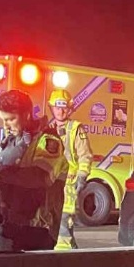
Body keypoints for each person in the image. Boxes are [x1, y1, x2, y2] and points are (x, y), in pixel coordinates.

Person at [0, 89, 67, 253]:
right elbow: (1, 181)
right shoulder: (9, 141)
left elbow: (41, 177)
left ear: (27, 114)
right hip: (8, 225)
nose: (6, 125)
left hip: (36, 228)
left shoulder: (48, 140)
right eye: (3, 120)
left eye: (11, 119)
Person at [47, 88, 93, 249]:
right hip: (49, 184)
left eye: (64, 107)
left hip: (68, 185)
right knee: (50, 220)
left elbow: (85, 156)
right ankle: (71, 253)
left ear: (69, 108)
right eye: (57, 107)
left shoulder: (75, 129)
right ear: (52, 107)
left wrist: (81, 177)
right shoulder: (47, 129)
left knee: (64, 221)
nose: (60, 111)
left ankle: (63, 257)